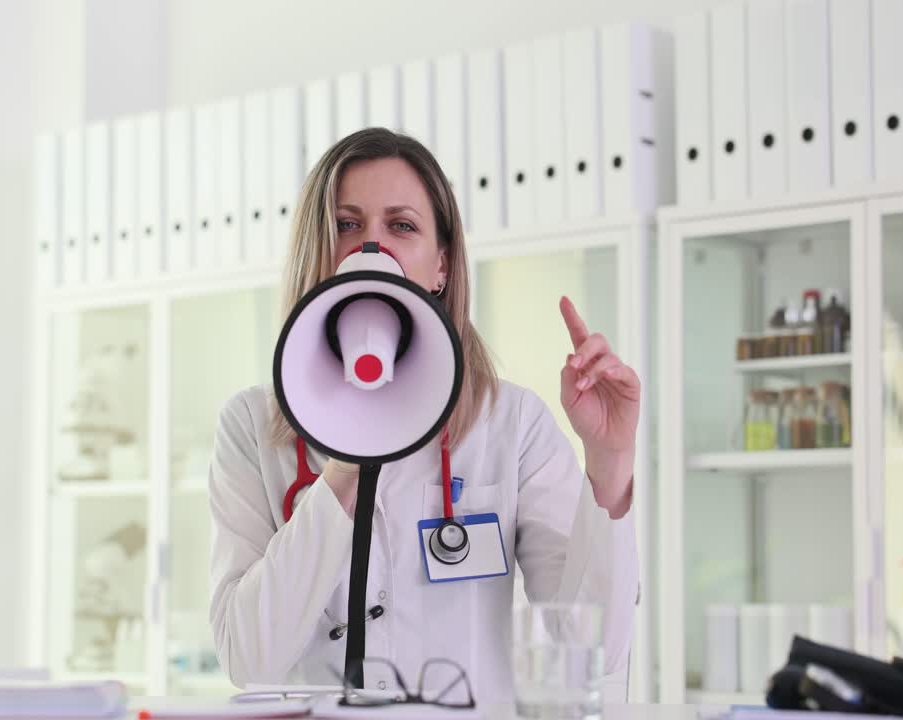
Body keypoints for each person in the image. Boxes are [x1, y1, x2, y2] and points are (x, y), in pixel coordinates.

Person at [208, 127, 640, 701]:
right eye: (347, 224)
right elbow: (248, 657)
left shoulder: (510, 423)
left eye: (401, 226)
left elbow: (592, 648)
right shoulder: (249, 427)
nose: (372, 249)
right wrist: (341, 469)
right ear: (315, 253)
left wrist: (610, 462)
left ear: (441, 265)